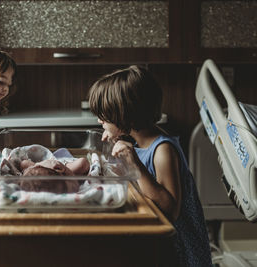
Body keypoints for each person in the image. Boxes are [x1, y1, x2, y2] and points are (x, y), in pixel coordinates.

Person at [88, 66, 212, 267]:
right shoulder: (136, 141)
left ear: (125, 116)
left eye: (105, 116)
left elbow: (170, 209)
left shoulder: (163, 150)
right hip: (157, 239)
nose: (99, 120)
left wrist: (133, 163)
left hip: (178, 249)